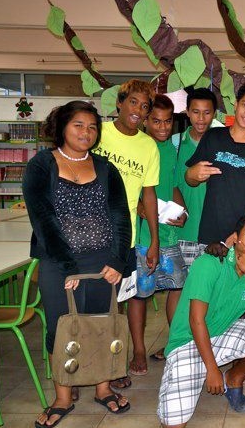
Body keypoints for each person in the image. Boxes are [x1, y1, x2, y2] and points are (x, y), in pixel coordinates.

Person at [24, 101, 132, 427]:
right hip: (58, 264)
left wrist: (117, 260)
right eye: (78, 125)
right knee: (60, 329)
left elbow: (120, 216)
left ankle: (103, 387)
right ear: (62, 127)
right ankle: (62, 397)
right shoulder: (41, 165)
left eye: (92, 127)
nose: (86, 132)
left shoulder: (105, 168)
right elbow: (42, 219)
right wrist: (67, 266)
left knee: (100, 324)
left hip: (102, 263)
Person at [157, 213, 245, 427]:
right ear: (237, 238)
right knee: (174, 423)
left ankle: (233, 379)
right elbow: (196, 320)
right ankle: (200, 373)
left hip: (222, 332)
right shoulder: (211, 262)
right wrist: (212, 368)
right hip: (189, 341)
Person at [92, 79, 160, 387]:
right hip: (89, 236)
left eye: (144, 107)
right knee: (97, 305)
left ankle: (132, 353)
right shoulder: (97, 135)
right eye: (133, 102)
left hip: (125, 237)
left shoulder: (148, 146)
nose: (138, 110)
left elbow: (149, 195)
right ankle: (92, 366)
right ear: (120, 103)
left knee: (126, 299)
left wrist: (154, 240)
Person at [185, 81, 245, 255]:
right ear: (235, 104)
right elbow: (190, 178)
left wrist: (242, 234)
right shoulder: (213, 136)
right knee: (205, 281)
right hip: (209, 234)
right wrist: (192, 174)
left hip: (243, 241)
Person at [133, 94, 188, 365]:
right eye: (156, 121)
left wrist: (182, 211)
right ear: (145, 121)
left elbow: (175, 184)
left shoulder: (170, 149)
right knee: (140, 294)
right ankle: (139, 351)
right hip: (144, 237)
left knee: (178, 287)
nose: (163, 128)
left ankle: (174, 343)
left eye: (168, 122)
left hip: (170, 235)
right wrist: (141, 210)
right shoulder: (140, 147)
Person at [171, 87, 217, 268]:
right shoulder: (175, 143)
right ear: (187, 112)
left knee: (210, 291)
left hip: (214, 234)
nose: (201, 118)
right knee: (179, 290)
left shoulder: (221, 144)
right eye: (196, 112)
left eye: (207, 112)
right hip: (182, 231)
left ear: (214, 114)